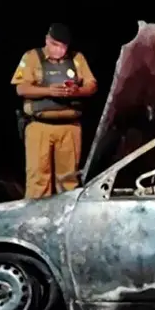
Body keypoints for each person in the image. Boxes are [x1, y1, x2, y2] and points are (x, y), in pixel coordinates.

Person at [10, 23, 98, 199]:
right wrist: (49, 91)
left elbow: (92, 85)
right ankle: (37, 220)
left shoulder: (76, 58)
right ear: (47, 40)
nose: (60, 51)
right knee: (38, 180)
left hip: (69, 128)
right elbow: (21, 88)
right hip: (40, 126)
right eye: (56, 45)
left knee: (69, 181)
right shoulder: (32, 57)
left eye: (64, 46)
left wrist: (77, 91)